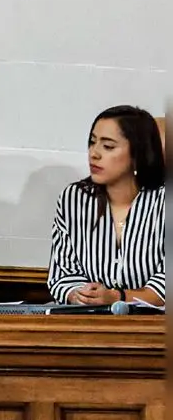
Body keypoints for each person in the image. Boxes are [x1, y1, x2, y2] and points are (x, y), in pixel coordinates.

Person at [48, 105, 165, 306]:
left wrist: (116, 297)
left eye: (108, 146)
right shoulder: (74, 198)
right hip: (86, 318)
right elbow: (63, 275)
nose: (94, 153)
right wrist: (80, 295)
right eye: (92, 142)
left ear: (137, 154)